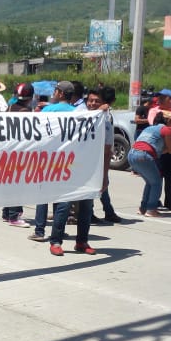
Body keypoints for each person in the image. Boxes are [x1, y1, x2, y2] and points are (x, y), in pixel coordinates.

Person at [41, 81, 96, 256]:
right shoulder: (80, 114)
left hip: (75, 165)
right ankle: (57, 241)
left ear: (60, 93)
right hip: (65, 165)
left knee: (83, 205)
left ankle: (80, 241)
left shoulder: (48, 111)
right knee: (66, 205)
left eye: (55, 90)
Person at [88, 86, 122, 223]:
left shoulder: (105, 123)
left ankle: (105, 211)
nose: (92, 104)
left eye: (96, 101)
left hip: (97, 163)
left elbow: (107, 152)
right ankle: (105, 211)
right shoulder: (79, 117)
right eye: (90, 100)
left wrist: (104, 173)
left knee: (101, 186)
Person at [2, 83, 33, 228]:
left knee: (10, 183)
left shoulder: (9, 109)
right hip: (20, 152)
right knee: (17, 184)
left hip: (6, 151)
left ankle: (7, 212)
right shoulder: (25, 112)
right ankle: (14, 216)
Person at [128, 112, 168, 218]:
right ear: (166, 121)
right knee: (157, 182)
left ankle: (143, 208)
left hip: (132, 154)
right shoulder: (165, 129)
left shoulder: (148, 129)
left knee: (150, 182)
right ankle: (151, 210)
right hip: (143, 155)